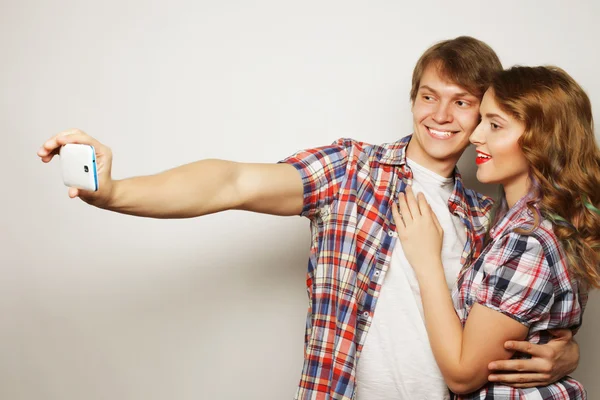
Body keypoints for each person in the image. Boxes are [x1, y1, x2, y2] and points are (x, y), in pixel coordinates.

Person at [37, 37, 581, 399]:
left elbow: (510, 326)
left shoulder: (487, 216)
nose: (441, 115)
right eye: (428, 96)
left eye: (463, 103)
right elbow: (232, 181)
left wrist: (563, 352)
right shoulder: (352, 170)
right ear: (411, 100)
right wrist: (112, 191)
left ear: (486, 113)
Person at [394, 65, 600, 399]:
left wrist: (426, 260)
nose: (475, 136)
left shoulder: (529, 239)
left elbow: (463, 375)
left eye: (494, 125)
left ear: (541, 139)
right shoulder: (508, 220)